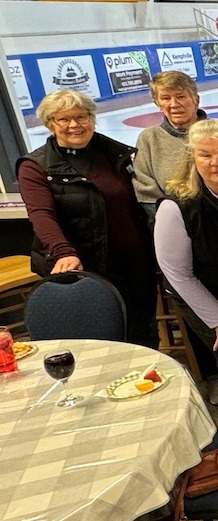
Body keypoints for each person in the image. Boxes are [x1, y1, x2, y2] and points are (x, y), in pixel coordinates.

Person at [18, 90, 158, 348]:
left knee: (142, 335)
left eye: (81, 116)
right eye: (63, 119)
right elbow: (41, 214)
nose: (74, 125)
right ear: (50, 124)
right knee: (99, 343)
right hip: (85, 269)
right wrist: (63, 252)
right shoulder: (35, 166)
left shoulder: (113, 152)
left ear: (92, 118)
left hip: (135, 265)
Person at [156, 120, 218, 418]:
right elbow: (179, 275)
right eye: (205, 155)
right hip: (203, 293)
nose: (216, 161)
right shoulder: (176, 207)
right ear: (193, 160)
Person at [133, 71, 207, 216]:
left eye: (180, 97)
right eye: (165, 98)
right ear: (157, 104)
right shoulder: (148, 139)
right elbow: (146, 192)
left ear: (196, 100)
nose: (174, 104)